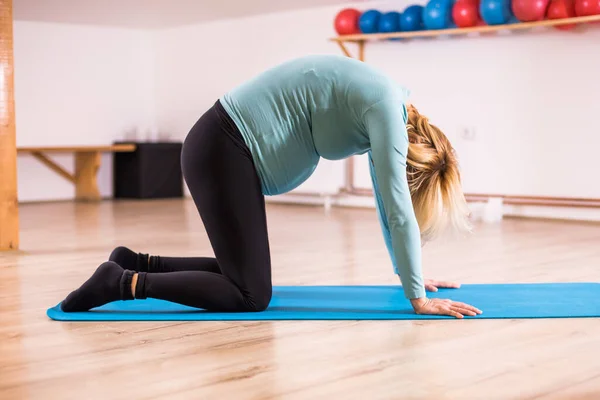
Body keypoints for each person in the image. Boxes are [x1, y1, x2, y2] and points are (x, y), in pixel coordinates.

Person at [60, 54, 482, 319]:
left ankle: (136, 262)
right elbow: (396, 209)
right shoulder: (387, 110)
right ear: (412, 164)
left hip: (223, 148)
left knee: (242, 278)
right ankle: (120, 283)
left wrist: (411, 276)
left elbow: (386, 204)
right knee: (251, 294)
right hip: (224, 149)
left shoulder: (390, 104)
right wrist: (417, 299)